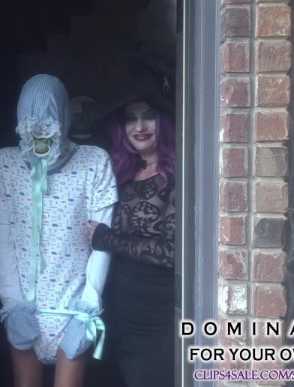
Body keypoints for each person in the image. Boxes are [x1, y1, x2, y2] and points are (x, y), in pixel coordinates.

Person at [0, 74, 118, 387]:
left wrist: (88, 307)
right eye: (32, 120)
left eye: (48, 119)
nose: (40, 129)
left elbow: (102, 241)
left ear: (64, 116)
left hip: (73, 307)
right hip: (24, 309)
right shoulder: (2, 165)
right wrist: (13, 304)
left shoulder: (94, 162)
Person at [87, 90, 176, 387]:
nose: (139, 127)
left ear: (163, 122)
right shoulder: (119, 172)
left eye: (149, 117)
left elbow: (171, 252)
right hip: (119, 305)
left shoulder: (178, 173)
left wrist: (108, 239)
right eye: (130, 119)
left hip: (159, 310)